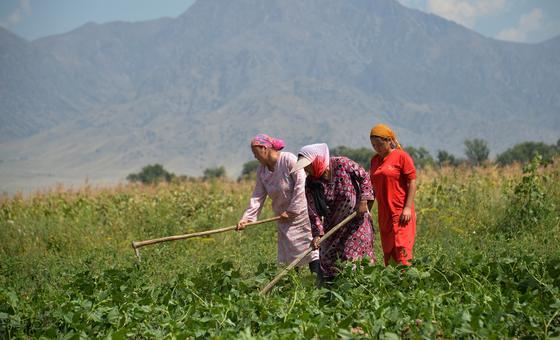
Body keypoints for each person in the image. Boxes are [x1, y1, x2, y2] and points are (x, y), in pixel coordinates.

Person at [237, 134, 321, 277]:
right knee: (290, 257)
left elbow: (302, 186)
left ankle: (319, 283)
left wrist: (292, 210)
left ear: (264, 148)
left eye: (255, 152)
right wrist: (247, 219)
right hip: (283, 219)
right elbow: (258, 196)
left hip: (303, 216)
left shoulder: (288, 160)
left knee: (312, 250)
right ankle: (294, 288)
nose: (254, 157)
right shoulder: (262, 171)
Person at [291, 143, 375, 281]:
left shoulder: (342, 164)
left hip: (356, 222)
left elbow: (364, 177)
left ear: (317, 160)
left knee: (353, 260)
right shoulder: (311, 183)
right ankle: (331, 295)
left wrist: (364, 201)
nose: (307, 170)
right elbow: (313, 212)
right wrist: (317, 234)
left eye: (308, 165)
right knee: (328, 261)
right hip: (333, 226)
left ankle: (360, 291)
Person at [369, 124, 417, 266]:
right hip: (385, 215)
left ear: (389, 141)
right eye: (373, 145)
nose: (377, 148)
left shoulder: (401, 156)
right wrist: (368, 209)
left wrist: (407, 208)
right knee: (389, 253)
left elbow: (412, 181)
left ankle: (407, 284)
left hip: (401, 213)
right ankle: (393, 286)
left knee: (402, 252)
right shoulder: (374, 161)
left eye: (379, 144)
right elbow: (372, 188)